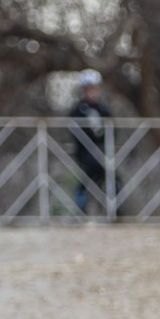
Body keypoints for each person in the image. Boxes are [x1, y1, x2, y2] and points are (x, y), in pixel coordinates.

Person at [68, 68, 114, 214]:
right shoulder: (78, 109)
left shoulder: (103, 108)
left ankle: (115, 209)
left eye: (94, 89)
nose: (91, 92)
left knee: (111, 177)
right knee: (86, 178)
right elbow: (74, 130)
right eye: (88, 89)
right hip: (84, 152)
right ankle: (81, 206)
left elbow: (112, 128)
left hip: (102, 150)